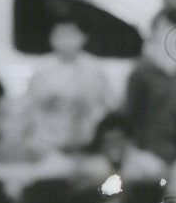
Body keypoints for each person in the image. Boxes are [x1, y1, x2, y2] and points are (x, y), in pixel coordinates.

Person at [23, 19, 115, 153]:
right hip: (49, 141)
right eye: (61, 35)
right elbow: (29, 107)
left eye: (71, 35)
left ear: (83, 38)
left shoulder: (95, 69)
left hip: (86, 139)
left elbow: (109, 106)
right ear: (52, 38)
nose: (66, 41)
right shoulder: (42, 70)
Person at [123, 8, 176, 164]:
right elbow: (131, 115)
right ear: (155, 32)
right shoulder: (142, 72)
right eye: (164, 28)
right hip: (147, 154)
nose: (170, 35)